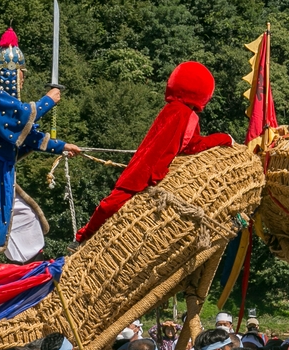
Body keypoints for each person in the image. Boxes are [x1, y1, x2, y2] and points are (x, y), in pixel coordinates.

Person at [0, 27, 78, 270]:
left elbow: (28, 135)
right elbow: (21, 118)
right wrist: (48, 100)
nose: (22, 79)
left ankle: (32, 276)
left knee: (24, 217)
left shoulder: (7, 103)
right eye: (20, 74)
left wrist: (62, 146)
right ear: (8, 73)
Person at [75, 61, 233, 243]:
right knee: (111, 205)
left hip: (139, 168)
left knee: (109, 205)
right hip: (146, 172)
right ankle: (83, 238)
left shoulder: (172, 109)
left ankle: (84, 237)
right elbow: (193, 146)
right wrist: (223, 138)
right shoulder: (185, 114)